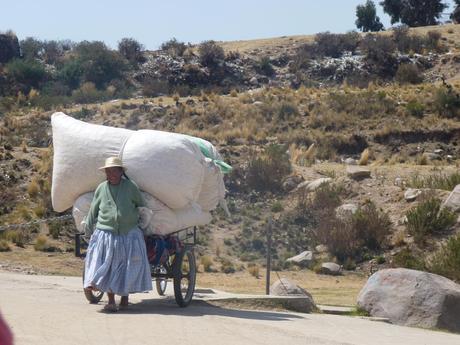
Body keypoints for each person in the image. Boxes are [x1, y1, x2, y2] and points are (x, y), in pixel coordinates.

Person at [83, 156, 152, 312]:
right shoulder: (101, 188)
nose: (112, 174)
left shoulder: (131, 187)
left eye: (115, 170)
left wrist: (143, 225)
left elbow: (142, 206)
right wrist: (88, 229)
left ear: (121, 172)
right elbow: (94, 210)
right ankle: (111, 301)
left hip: (129, 233)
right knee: (110, 267)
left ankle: (125, 298)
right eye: (109, 171)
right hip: (106, 233)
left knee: (127, 267)